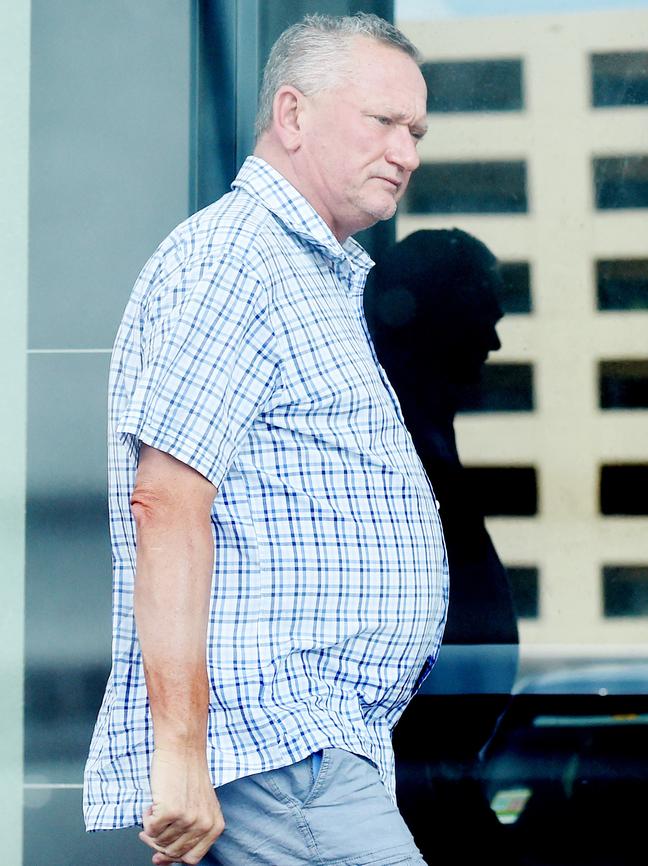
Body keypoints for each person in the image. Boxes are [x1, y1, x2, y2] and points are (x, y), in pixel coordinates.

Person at [83, 14, 448, 866]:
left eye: (418, 132)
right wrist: (178, 755)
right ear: (292, 115)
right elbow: (167, 502)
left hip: (315, 747)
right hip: (279, 745)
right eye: (385, 122)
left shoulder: (308, 272)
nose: (408, 152)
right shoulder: (236, 259)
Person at [364, 228, 521, 865]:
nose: (494, 342)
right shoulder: (383, 448)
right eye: (482, 319)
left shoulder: (428, 439)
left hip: (442, 777)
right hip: (407, 783)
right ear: (433, 320)